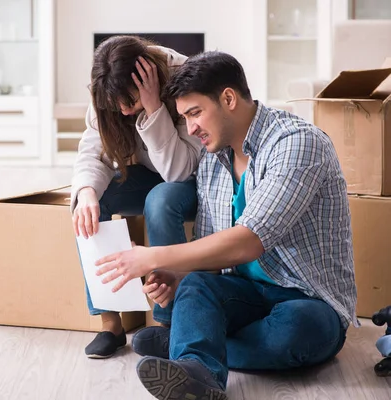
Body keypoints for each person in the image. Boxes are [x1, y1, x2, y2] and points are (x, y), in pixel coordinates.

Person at [94, 51, 358, 399]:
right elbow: (210, 255)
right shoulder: (212, 160)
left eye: (195, 113)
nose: (190, 129)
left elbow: (249, 241)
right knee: (196, 286)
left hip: (305, 299)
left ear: (229, 99)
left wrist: (155, 257)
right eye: (184, 117)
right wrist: (174, 279)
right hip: (244, 294)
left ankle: (190, 345)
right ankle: (196, 370)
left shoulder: (297, 143)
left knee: (296, 330)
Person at [70, 35, 202, 359]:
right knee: (88, 204)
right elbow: (93, 151)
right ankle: (110, 323)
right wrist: (86, 191)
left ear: (146, 79)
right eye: (115, 105)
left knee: (160, 199)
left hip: (192, 178)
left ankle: (170, 324)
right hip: (150, 175)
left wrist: (154, 106)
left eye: (129, 101)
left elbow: (180, 171)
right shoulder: (109, 91)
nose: (123, 111)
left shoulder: (186, 77)